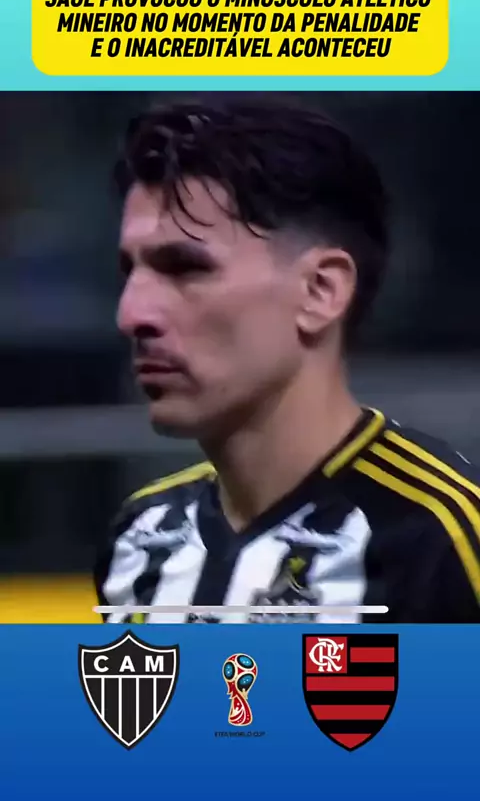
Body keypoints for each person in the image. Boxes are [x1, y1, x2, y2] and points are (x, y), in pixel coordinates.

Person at [95, 94, 480, 624]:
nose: (132, 314)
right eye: (130, 272)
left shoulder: (444, 539)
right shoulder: (139, 538)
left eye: (184, 268)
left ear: (321, 291)